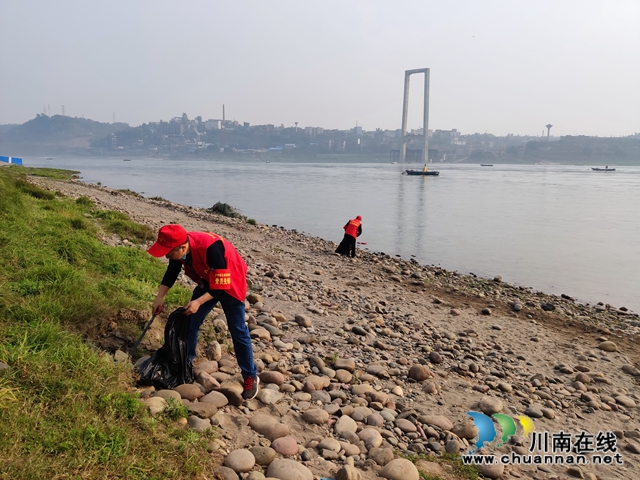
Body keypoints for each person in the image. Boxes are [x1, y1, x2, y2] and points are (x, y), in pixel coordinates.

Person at [147, 224, 259, 400]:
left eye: (168, 253)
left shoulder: (211, 248)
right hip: (208, 279)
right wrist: (159, 297)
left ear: (182, 247)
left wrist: (198, 301)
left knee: (237, 329)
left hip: (230, 281)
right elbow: (172, 271)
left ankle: (250, 375)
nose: (167, 256)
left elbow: (221, 286)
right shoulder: (178, 247)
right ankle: (186, 364)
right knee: (191, 320)